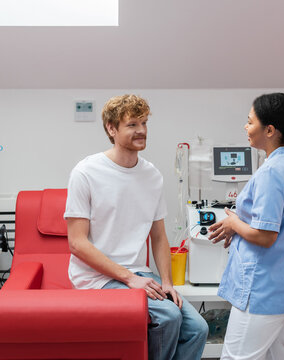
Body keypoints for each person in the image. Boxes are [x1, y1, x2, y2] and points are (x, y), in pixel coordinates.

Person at [64, 94, 208, 360]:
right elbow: (77, 243)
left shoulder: (152, 175)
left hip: (139, 273)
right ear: (111, 128)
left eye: (143, 123)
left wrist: (167, 282)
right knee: (168, 316)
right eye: (132, 124)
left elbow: (159, 236)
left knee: (198, 329)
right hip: (97, 279)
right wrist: (129, 278)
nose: (141, 130)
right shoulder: (86, 172)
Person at [208, 93, 284, 360]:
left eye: (250, 121)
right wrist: (238, 224)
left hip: (263, 291)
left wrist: (233, 222)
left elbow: (266, 236)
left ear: (269, 129)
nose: (246, 127)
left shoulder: (272, 172)